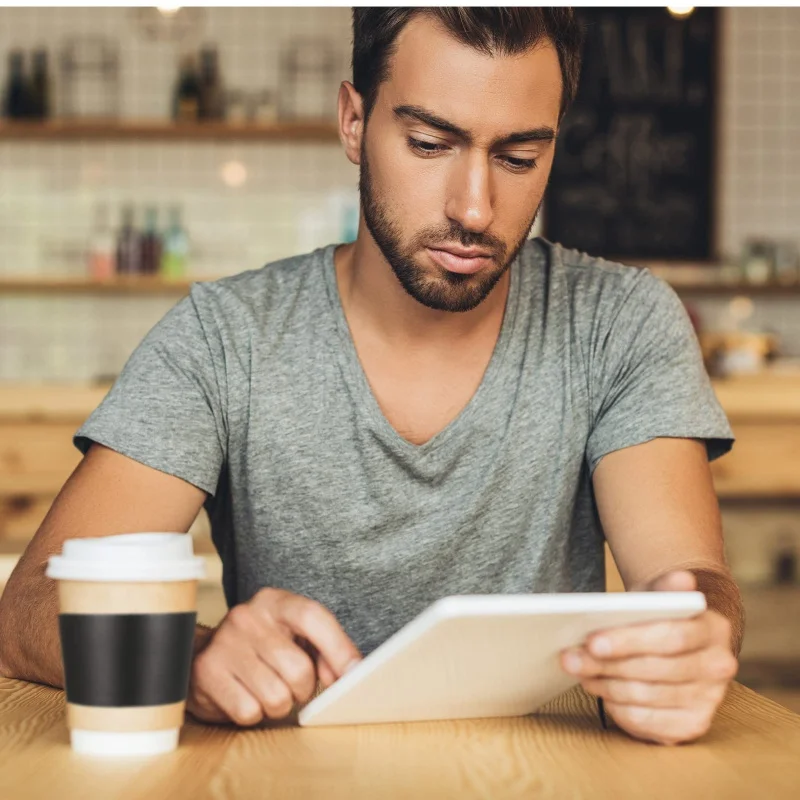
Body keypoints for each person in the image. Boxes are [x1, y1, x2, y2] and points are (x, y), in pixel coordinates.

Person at [0, 8, 742, 746]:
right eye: (429, 143)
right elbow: (26, 611)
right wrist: (189, 657)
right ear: (354, 122)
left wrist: (695, 641)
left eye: (519, 157)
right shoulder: (222, 338)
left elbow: (688, 584)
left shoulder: (622, 322)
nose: (475, 208)